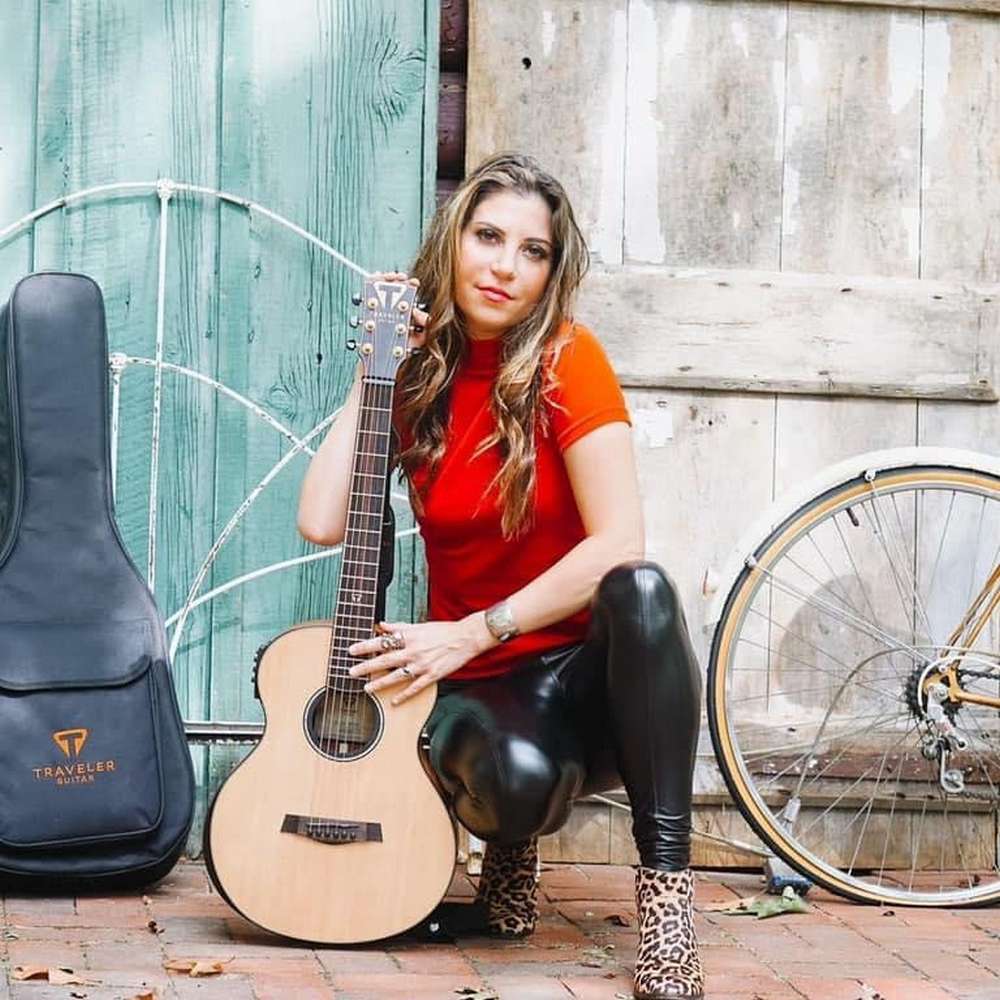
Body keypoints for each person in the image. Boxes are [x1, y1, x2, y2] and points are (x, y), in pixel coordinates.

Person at [297, 152, 704, 1000]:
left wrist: (474, 630)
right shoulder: (419, 378)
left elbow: (618, 541)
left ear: (552, 272)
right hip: (488, 690)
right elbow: (322, 520)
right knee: (515, 785)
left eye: (533, 251)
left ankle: (669, 903)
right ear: (452, 242)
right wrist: (374, 373)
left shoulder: (567, 358)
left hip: (589, 680)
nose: (505, 267)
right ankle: (510, 861)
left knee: (642, 590)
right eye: (487, 237)